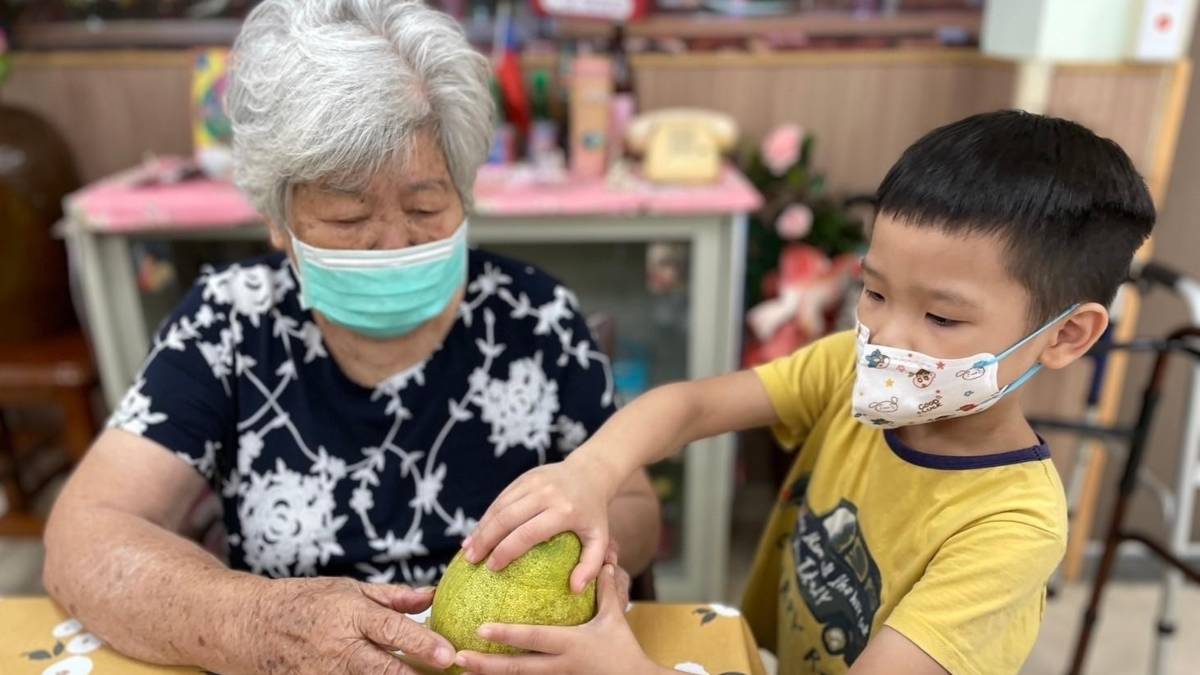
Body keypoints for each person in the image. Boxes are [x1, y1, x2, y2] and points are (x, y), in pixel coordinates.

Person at [41, 2, 659, 674]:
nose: (392, 243)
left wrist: (588, 562)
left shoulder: (536, 318)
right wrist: (257, 623)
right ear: (279, 220)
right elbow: (83, 538)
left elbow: (632, 503)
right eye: (347, 214)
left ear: (464, 196)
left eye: (425, 207)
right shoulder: (229, 322)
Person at [456, 110, 1156, 675]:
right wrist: (590, 471)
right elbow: (692, 405)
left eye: (940, 316)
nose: (885, 334)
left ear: (1066, 337)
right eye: (874, 290)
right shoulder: (852, 368)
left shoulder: (1012, 527)